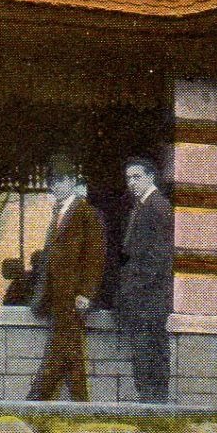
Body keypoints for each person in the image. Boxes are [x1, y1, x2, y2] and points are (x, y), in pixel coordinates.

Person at [28, 153, 108, 402]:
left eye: (61, 180)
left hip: (73, 297)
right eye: (52, 181)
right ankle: (81, 407)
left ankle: (32, 404)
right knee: (70, 356)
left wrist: (86, 293)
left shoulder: (86, 212)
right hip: (57, 297)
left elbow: (95, 256)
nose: (56, 185)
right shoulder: (58, 211)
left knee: (60, 353)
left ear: (73, 181)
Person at [117, 156, 174, 402]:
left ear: (151, 177)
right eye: (129, 178)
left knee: (149, 349)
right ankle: (150, 399)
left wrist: (135, 289)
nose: (132, 182)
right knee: (145, 350)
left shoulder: (157, 206)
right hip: (145, 295)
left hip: (150, 296)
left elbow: (158, 256)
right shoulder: (142, 206)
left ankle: (153, 402)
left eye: (137, 177)